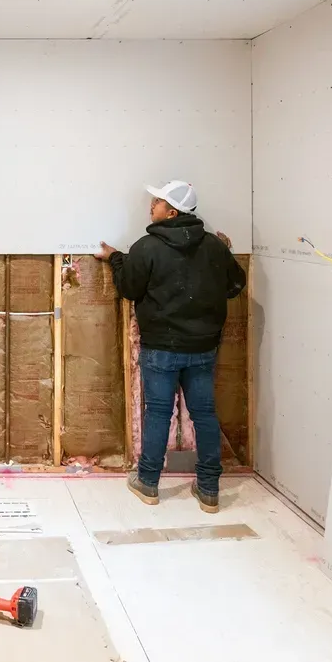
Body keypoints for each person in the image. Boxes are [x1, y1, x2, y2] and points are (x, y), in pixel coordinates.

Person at [95, 180, 246, 513]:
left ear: (172, 212)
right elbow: (235, 284)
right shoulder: (213, 247)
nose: (152, 206)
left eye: (158, 201)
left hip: (162, 346)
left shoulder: (147, 247)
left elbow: (129, 288)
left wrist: (115, 258)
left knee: (159, 413)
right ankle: (208, 489)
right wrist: (224, 254)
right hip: (203, 347)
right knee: (204, 414)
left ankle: (148, 483)